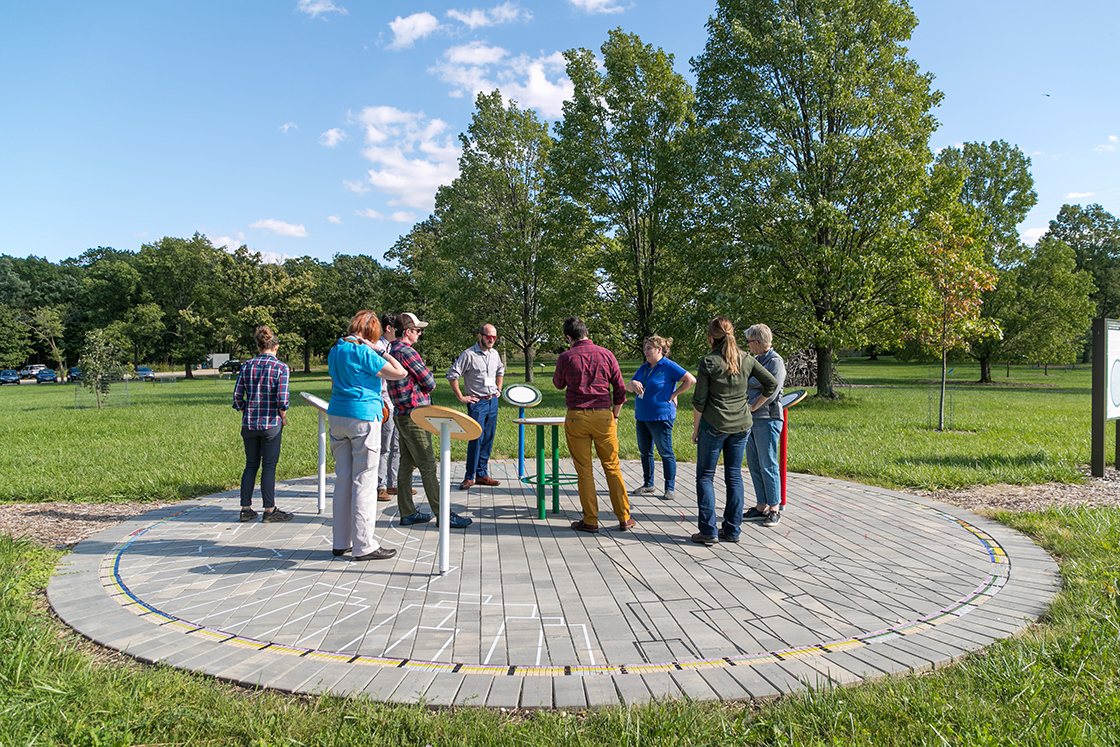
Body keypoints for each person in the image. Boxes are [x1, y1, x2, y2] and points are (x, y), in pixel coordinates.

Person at [327, 311, 408, 560]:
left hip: (337, 415)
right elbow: (400, 372)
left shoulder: (336, 349)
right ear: (371, 332)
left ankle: (341, 541)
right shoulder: (364, 352)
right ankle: (364, 544)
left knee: (343, 480)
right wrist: (379, 349)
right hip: (363, 416)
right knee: (365, 480)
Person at [690, 317, 777, 546]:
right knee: (734, 476)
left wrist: (696, 429)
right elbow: (771, 384)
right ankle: (732, 530)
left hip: (714, 426)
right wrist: (752, 407)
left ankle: (708, 531)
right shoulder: (746, 359)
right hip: (741, 426)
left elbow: (699, 401)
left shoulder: (708, 362)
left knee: (705, 477)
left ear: (710, 337)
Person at [388, 312, 473, 528]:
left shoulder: (391, 351)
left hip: (400, 413)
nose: (419, 334)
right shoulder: (407, 351)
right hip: (415, 414)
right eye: (417, 330)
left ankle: (407, 512)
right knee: (428, 466)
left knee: (406, 465)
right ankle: (443, 514)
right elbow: (429, 381)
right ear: (407, 332)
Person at [553, 316, 635, 533]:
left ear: (569, 337)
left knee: (584, 470)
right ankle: (624, 517)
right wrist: (614, 415)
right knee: (612, 466)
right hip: (603, 416)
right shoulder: (606, 354)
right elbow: (619, 389)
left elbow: (558, 384)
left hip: (576, 416)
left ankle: (590, 519)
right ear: (586, 332)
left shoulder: (565, 357)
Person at [233, 325, 293, 523]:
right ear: (275, 347)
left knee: (250, 464)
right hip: (270, 423)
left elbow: (237, 395)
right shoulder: (281, 368)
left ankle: (245, 508)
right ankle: (269, 509)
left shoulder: (246, 366)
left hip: (249, 423)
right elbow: (282, 399)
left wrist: (244, 409)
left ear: (258, 347)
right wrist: (283, 416)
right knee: (269, 466)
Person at [626, 335, 696, 502]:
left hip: (660, 417)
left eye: (649, 348)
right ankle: (648, 484)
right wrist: (633, 385)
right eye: (645, 348)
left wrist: (674, 394)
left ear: (659, 350)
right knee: (645, 451)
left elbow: (690, 380)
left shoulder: (668, 366)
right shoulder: (644, 368)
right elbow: (628, 386)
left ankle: (669, 487)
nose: (646, 352)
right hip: (642, 416)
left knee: (665, 452)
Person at [448, 323, 504, 490]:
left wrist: (498, 389)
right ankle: (469, 476)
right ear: (480, 336)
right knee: (476, 438)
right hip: (477, 403)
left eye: (494, 337)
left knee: (488, 437)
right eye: (489, 337)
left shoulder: (494, 354)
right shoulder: (468, 355)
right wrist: (461, 397)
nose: (492, 340)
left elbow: (500, 371)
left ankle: (482, 474)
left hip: (492, 401)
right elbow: (452, 374)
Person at [743, 324, 787, 527]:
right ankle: (761, 505)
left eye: (749, 342)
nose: (748, 345)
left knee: (768, 464)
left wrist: (753, 407)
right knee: (754, 463)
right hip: (751, 419)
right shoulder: (755, 360)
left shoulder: (775, 362)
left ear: (758, 342)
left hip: (767, 418)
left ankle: (774, 507)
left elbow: (771, 391)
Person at [375, 312, 401, 503]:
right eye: (396, 328)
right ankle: (380, 486)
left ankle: (393, 483)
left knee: (397, 447)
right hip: (385, 404)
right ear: (388, 328)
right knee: (383, 447)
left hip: (397, 402)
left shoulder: (397, 347)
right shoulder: (377, 348)